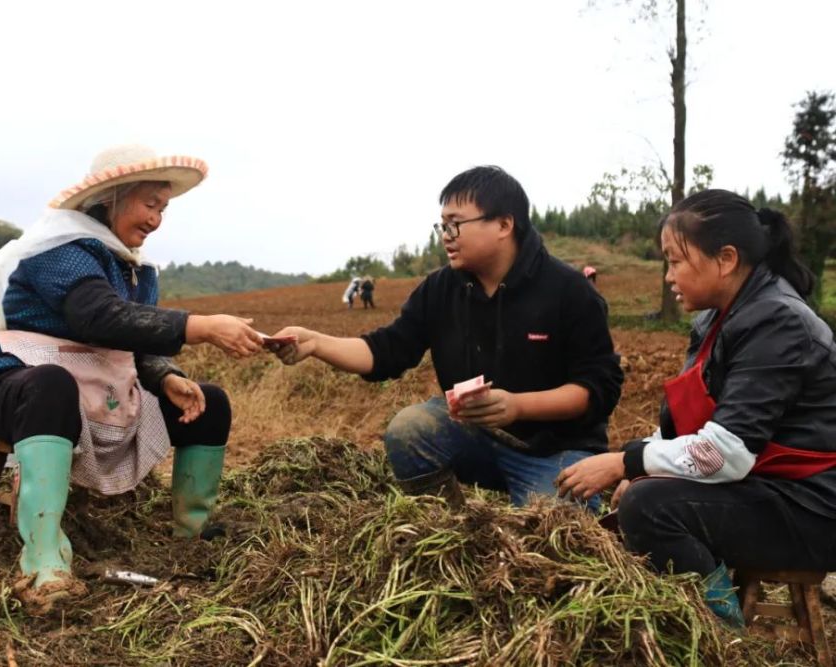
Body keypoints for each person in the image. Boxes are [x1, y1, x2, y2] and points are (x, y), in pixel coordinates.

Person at [0, 145, 265, 614]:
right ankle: (43, 558)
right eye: (149, 204)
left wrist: (165, 376)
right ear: (112, 197)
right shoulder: (60, 248)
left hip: (102, 387)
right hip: (23, 387)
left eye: (163, 209)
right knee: (52, 384)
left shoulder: (135, 266)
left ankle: (193, 533)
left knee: (210, 402)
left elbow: (133, 338)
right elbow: (97, 316)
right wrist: (198, 326)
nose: (156, 220)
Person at [555, 189, 836, 626]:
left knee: (649, 506)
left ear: (726, 259)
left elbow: (725, 453)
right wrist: (642, 465)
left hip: (812, 507)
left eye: (676, 261)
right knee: (643, 490)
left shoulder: (777, 322)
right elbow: (692, 428)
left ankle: (720, 631)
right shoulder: (719, 318)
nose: (669, 276)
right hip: (766, 486)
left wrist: (627, 463)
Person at [271, 166, 623, 508]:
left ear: (504, 225)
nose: (446, 236)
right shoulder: (441, 289)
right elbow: (386, 350)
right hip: (478, 437)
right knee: (411, 429)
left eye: (455, 224)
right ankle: (453, 525)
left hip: (557, 450)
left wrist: (517, 406)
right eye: (442, 225)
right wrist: (316, 343)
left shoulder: (569, 291)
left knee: (550, 531)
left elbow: (597, 389)